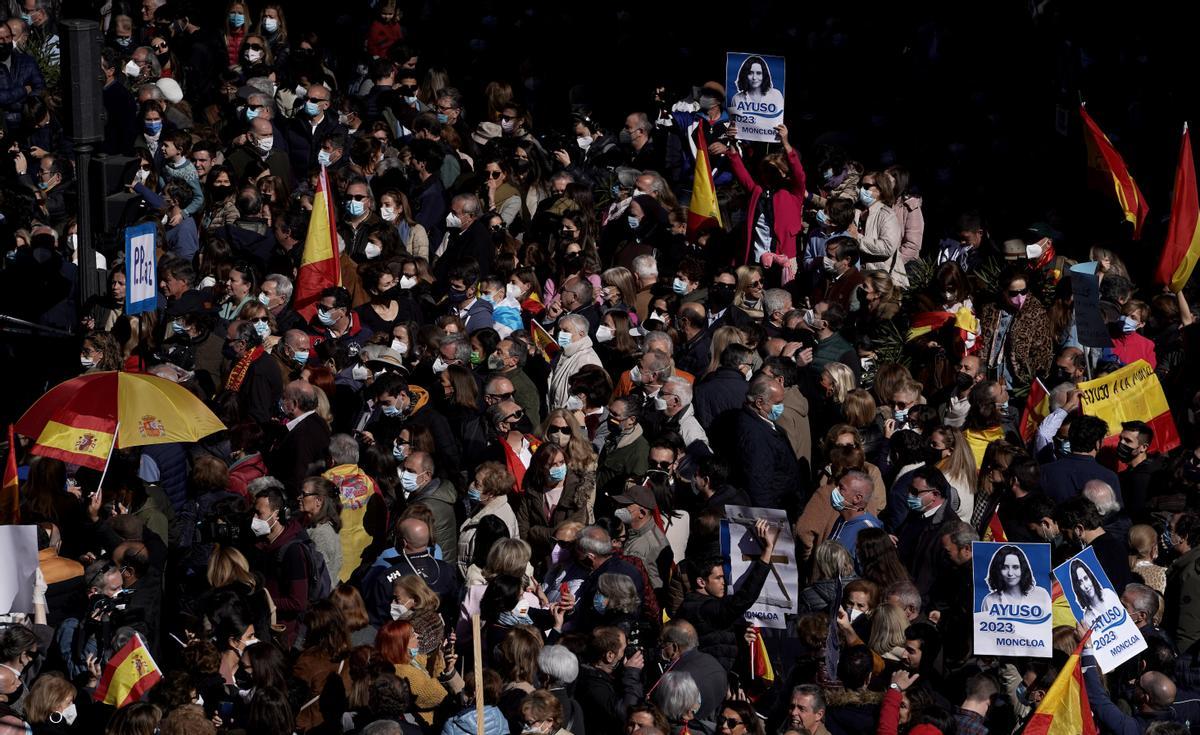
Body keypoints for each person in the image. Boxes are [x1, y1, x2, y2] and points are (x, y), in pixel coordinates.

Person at [978, 545, 1051, 612]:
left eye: (1015, 567)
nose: (1010, 573)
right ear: (998, 570)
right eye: (1004, 567)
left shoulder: (1041, 594)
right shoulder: (990, 601)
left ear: (1023, 569)